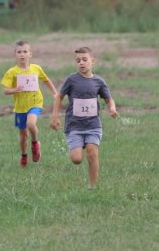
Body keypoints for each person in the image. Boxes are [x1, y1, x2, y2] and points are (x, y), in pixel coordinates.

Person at [50, 46, 118, 189]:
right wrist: (55, 117)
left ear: (92, 61)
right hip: (74, 126)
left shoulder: (99, 81)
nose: (81, 63)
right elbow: (59, 97)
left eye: (84, 60)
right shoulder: (71, 80)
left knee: (92, 154)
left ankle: (92, 186)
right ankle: (80, 144)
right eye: (78, 60)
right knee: (76, 159)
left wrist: (112, 108)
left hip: (93, 126)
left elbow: (108, 99)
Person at [1, 40, 57, 167]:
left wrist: (54, 92)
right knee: (23, 135)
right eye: (19, 52)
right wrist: (14, 90)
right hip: (20, 107)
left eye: (25, 52)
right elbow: (5, 90)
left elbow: (46, 80)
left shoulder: (36, 68)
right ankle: (24, 155)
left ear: (30, 54)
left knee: (31, 124)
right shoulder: (12, 72)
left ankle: (35, 143)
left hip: (35, 102)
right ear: (14, 54)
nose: (22, 55)